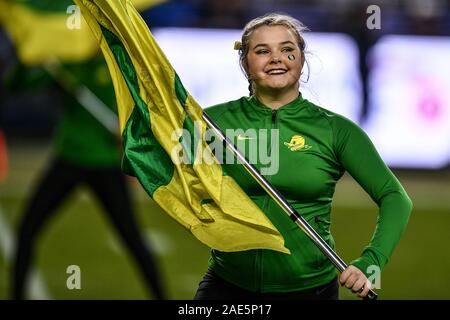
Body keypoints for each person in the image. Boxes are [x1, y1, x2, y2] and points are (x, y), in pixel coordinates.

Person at [194, 13, 413, 300]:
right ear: (245, 62)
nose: (276, 58)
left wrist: (371, 263)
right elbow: (149, 166)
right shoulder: (211, 122)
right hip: (225, 286)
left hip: (311, 290)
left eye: (287, 50)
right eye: (262, 51)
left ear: (301, 60)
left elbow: (395, 197)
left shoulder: (335, 130)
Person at [5, 55, 166, 300]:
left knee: (132, 238)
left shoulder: (114, 63)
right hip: (68, 158)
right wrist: (26, 57)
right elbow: (15, 86)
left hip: (105, 163)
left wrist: (126, 129)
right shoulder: (65, 63)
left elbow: (135, 107)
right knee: (27, 230)